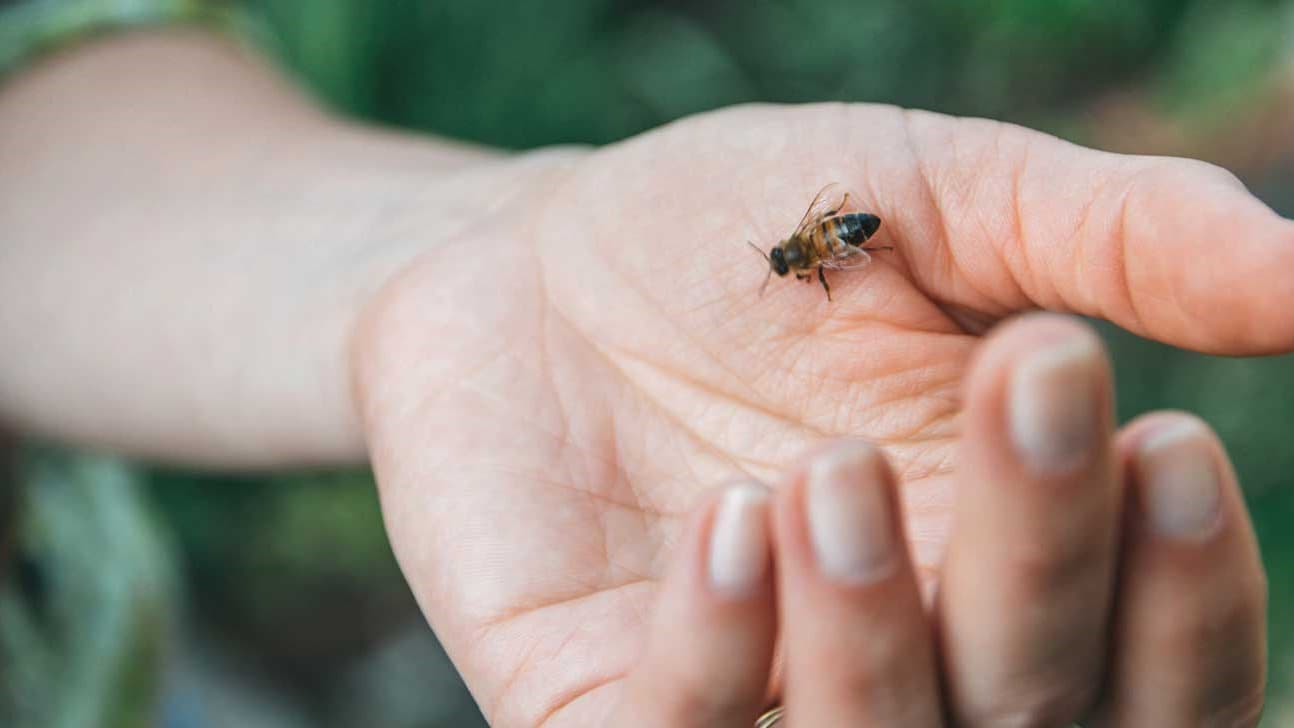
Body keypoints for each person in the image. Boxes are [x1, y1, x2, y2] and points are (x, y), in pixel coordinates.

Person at [0, 6, 1283, 727]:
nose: (803, 260)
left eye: (800, 255)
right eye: (804, 256)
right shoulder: (816, 250)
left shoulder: (821, 244)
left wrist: (472, 253)